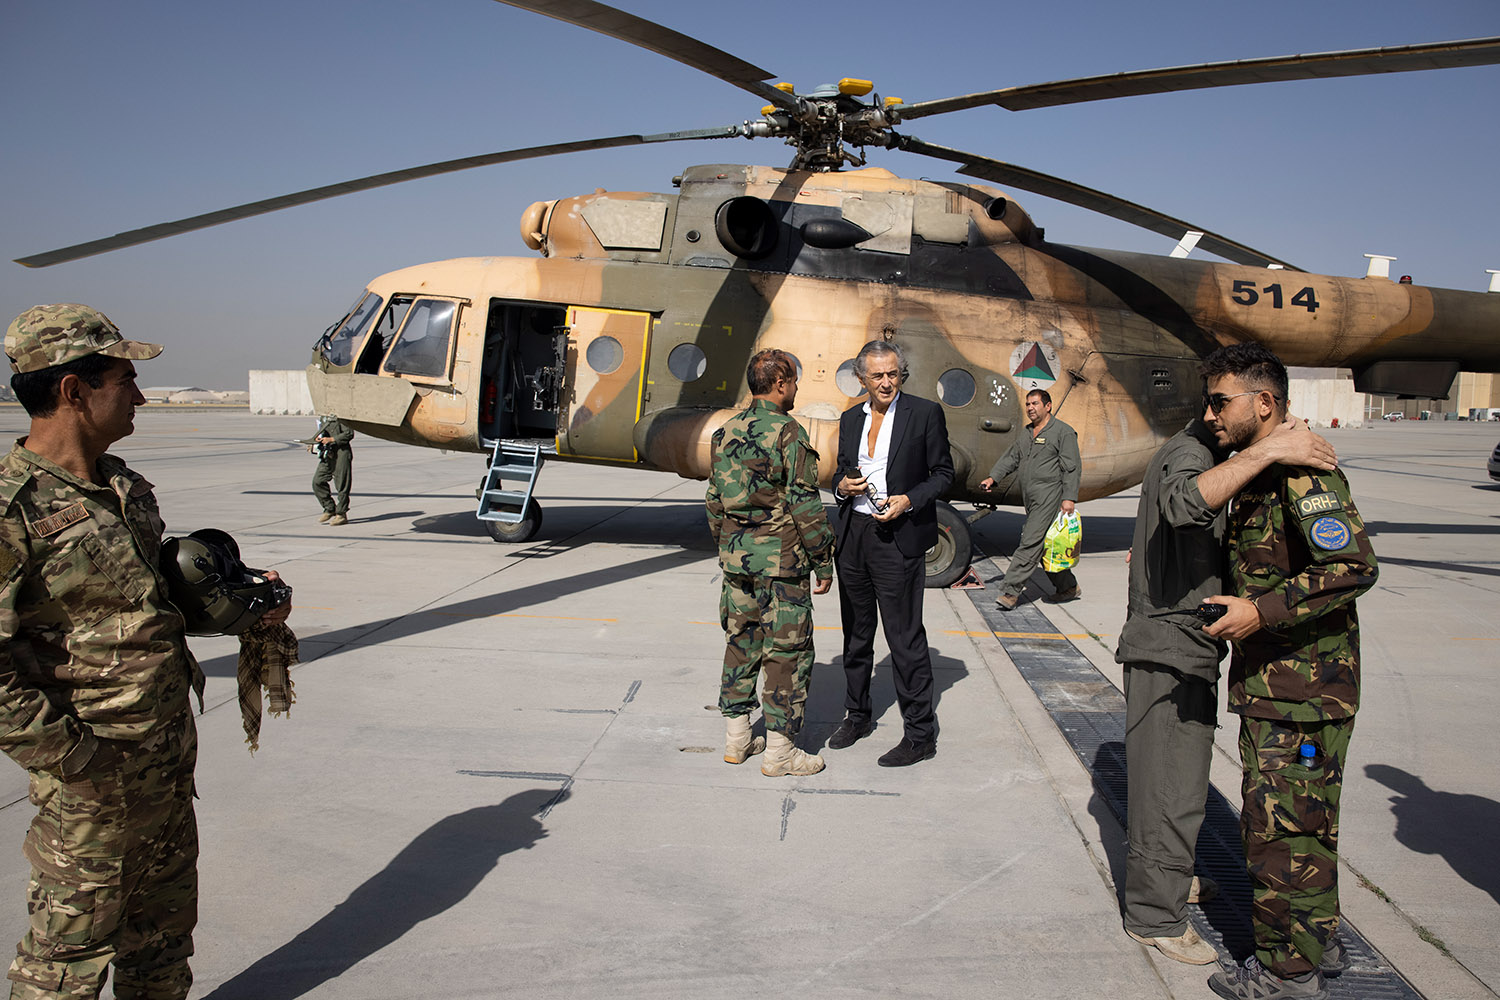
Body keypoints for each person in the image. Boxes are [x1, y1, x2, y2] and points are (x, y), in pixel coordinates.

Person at [0, 304, 292, 1000]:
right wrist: (75, 759)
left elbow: (140, 611)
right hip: (91, 785)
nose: (140, 394)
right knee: (64, 965)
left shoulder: (126, 489)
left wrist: (241, 605)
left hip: (164, 766)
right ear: (73, 391)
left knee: (160, 948)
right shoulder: (14, 512)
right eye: (125, 379)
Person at [1116, 413, 1335, 966]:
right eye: (1213, 401)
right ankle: (1154, 915)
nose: (1216, 415)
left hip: (1185, 645)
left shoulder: (1206, 452)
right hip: (1170, 650)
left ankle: (1169, 878)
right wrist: (1266, 453)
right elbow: (1183, 503)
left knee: (1180, 784)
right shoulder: (1193, 453)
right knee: (1168, 786)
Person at [1200, 343, 1378, 1000]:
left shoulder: (1303, 476)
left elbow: (1353, 565)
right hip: (1286, 692)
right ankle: (1316, 944)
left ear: (1264, 403)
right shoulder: (1264, 470)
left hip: (1302, 696)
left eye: (1222, 401)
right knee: (1303, 826)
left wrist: (1258, 611)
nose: (1211, 414)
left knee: (1282, 832)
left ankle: (1286, 974)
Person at [705, 349, 835, 777]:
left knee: (741, 641)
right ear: (780, 384)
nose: (796, 388)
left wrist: (729, 548)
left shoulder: (725, 432)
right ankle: (780, 753)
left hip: (737, 561)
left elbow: (713, 501)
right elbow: (804, 503)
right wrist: (823, 560)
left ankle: (737, 739)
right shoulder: (788, 432)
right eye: (794, 381)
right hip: (781, 564)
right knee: (787, 652)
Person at [829, 340, 953, 767]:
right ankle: (858, 715)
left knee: (904, 639)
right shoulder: (850, 419)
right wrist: (841, 487)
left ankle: (920, 736)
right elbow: (840, 472)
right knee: (856, 636)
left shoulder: (924, 413)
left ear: (902, 373)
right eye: (877, 375)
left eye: (893, 374)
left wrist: (909, 501)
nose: (886, 382)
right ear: (861, 378)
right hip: (854, 535)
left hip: (898, 536)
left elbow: (943, 474)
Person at [980, 388, 1081, 609]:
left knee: (1029, 542)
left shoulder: (1063, 432)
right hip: (1031, 497)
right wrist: (993, 477)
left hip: (1050, 495)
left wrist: (1069, 498)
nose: (1030, 408)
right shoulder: (1027, 433)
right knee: (1046, 546)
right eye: (1028, 404)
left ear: (1048, 406)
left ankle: (1010, 592)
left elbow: (1072, 468)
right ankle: (1068, 587)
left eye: (1034, 404)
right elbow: (1012, 457)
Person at [311, 414, 353, 525]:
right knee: (317, 481)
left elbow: (349, 433)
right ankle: (329, 508)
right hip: (328, 453)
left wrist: (332, 439)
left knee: (342, 485)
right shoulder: (323, 417)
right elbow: (322, 432)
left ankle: (341, 514)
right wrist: (316, 442)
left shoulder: (342, 415)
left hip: (341, 453)